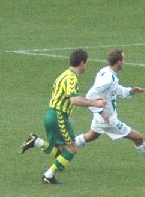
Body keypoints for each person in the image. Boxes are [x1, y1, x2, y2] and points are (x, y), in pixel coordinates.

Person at [73, 48, 145, 170]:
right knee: (138, 137)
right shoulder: (108, 78)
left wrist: (130, 91)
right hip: (108, 120)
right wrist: (102, 112)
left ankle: (66, 148)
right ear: (118, 61)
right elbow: (90, 96)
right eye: (123, 59)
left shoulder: (107, 73)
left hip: (101, 118)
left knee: (91, 136)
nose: (124, 62)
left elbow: (115, 90)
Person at [20, 49, 107, 184]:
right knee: (72, 150)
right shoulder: (72, 78)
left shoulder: (63, 75)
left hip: (51, 113)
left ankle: (36, 142)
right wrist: (95, 102)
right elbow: (74, 100)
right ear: (82, 63)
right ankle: (48, 175)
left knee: (61, 151)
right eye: (86, 63)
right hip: (58, 116)